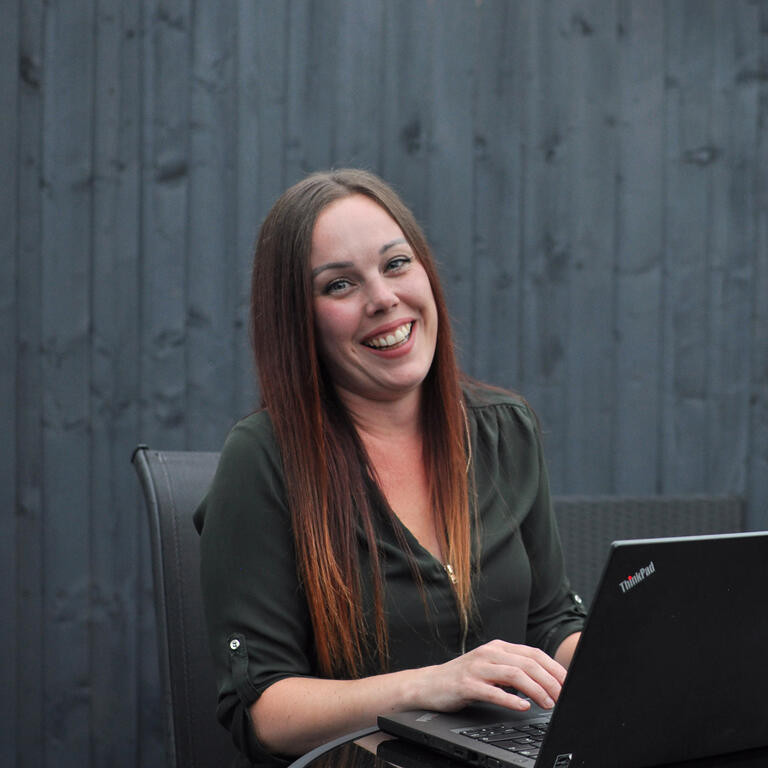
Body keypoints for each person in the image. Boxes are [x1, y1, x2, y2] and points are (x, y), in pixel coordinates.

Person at [195, 169, 586, 768]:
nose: (382, 298)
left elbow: (551, 618)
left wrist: (631, 669)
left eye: (396, 264)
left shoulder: (505, 430)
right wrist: (428, 685)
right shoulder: (263, 459)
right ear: (298, 320)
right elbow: (264, 712)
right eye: (340, 285)